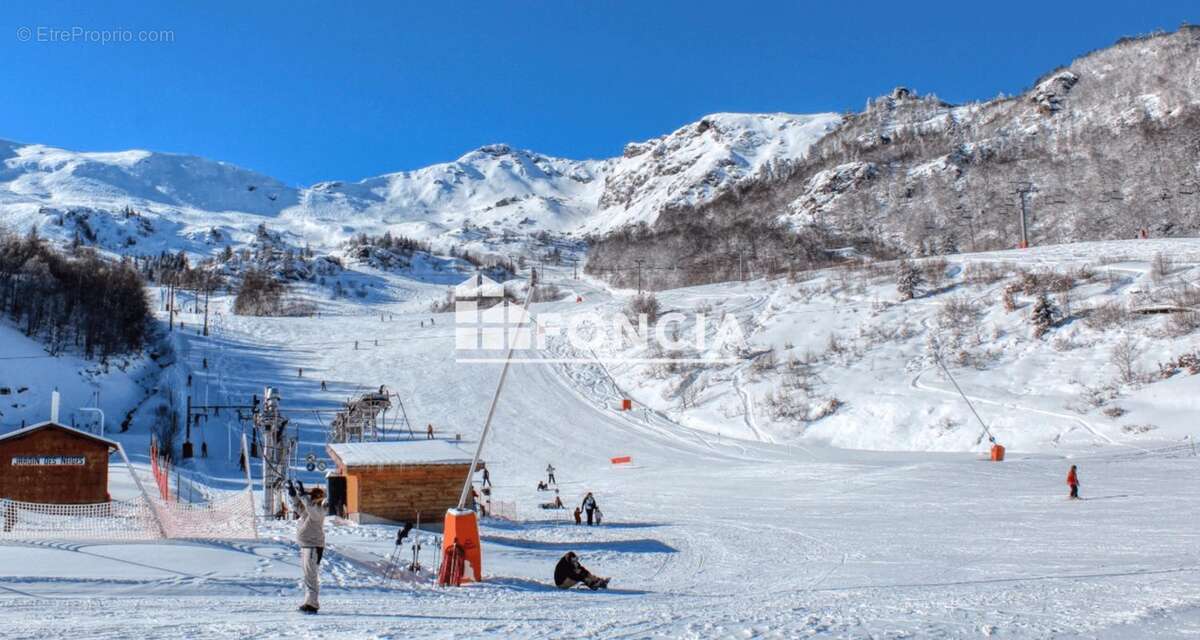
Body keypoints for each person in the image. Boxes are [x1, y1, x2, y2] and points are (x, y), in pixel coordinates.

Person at [287, 479, 326, 614]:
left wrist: (302, 494)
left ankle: (312, 604)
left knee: (311, 576)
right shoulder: (309, 511)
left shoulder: (319, 511)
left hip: (313, 547)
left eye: (312, 496)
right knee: (308, 576)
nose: (310, 498)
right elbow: (299, 506)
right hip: (306, 547)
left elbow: (308, 505)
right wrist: (293, 494)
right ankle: (309, 602)